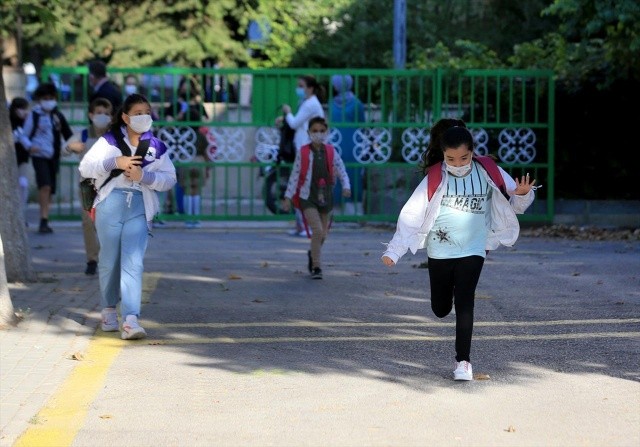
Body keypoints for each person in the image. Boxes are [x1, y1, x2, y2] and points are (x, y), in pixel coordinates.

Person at [381, 124, 537, 381]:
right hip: (440, 251)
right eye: (450, 159)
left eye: (463, 158)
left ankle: (463, 361)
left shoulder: (488, 171)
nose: (457, 163)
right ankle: (446, 306)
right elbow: (412, 213)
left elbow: (514, 205)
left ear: (473, 152)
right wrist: (395, 250)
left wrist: (522, 195)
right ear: (442, 155)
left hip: (474, 248)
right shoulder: (434, 176)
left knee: (465, 300)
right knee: (441, 308)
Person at [78, 93, 177, 340]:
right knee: (109, 260)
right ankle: (109, 308)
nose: (143, 117)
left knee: (134, 261)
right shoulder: (108, 141)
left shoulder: (157, 147)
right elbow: (85, 167)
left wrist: (145, 177)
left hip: (140, 206)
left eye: (147, 112)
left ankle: (131, 319)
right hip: (110, 203)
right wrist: (115, 162)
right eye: (137, 113)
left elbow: (169, 179)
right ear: (125, 117)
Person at [283, 117, 351, 279]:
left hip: (326, 197)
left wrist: (346, 185)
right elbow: (295, 175)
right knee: (318, 231)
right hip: (308, 197)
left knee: (323, 235)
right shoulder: (303, 152)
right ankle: (316, 267)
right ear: (308, 133)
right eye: (315, 131)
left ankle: (313, 253)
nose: (318, 134)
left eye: (322, 131)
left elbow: (341, 169)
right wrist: (288, 196)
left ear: (326, 132)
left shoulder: (331, 151)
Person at [65, 97, 113, 275]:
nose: (103, 117)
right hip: (88, 185)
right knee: (88, 222)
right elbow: (65, 147)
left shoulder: (115, 135)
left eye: (107, 114)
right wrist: (71, 147)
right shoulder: (83, 134)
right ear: (91, 115)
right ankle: (92, 259)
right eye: (99, 113)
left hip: (110, 185)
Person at [19, 82, 74, 234]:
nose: (48, 100)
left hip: (53, 156)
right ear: (39, 99)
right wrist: (30, 147)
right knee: (45, 186)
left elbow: (68, 134)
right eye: (45, 98)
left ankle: (46, 217)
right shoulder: (34, 114)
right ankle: (43, 219)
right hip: (39, 155)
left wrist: (69, 148)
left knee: (50, 189)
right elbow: (24, 135)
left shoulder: (57, 115)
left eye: (51, 97)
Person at [277, 74, 325, 237]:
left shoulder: (310, 104)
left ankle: (309, 227)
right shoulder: (308, 103)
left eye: (301, 86)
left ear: (310, 88)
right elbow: (299, 123)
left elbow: (295, 123)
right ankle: (301, 225)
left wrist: (288, 112)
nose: (299, 89)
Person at [329, 74, 366, 215]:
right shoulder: (356, 103)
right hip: (343, 144)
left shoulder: (353, 104)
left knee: (351, 173)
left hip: (350, 145)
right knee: (339, 173)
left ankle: (352, 210)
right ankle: (340, 209)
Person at [9, 97, 31, 223]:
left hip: (22, 159)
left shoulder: (27, 123)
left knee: (23, 185)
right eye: (20, 109)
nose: (23, 112)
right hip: (11, 159)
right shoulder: (9, 123)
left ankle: (21, 215)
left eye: (25, 109)